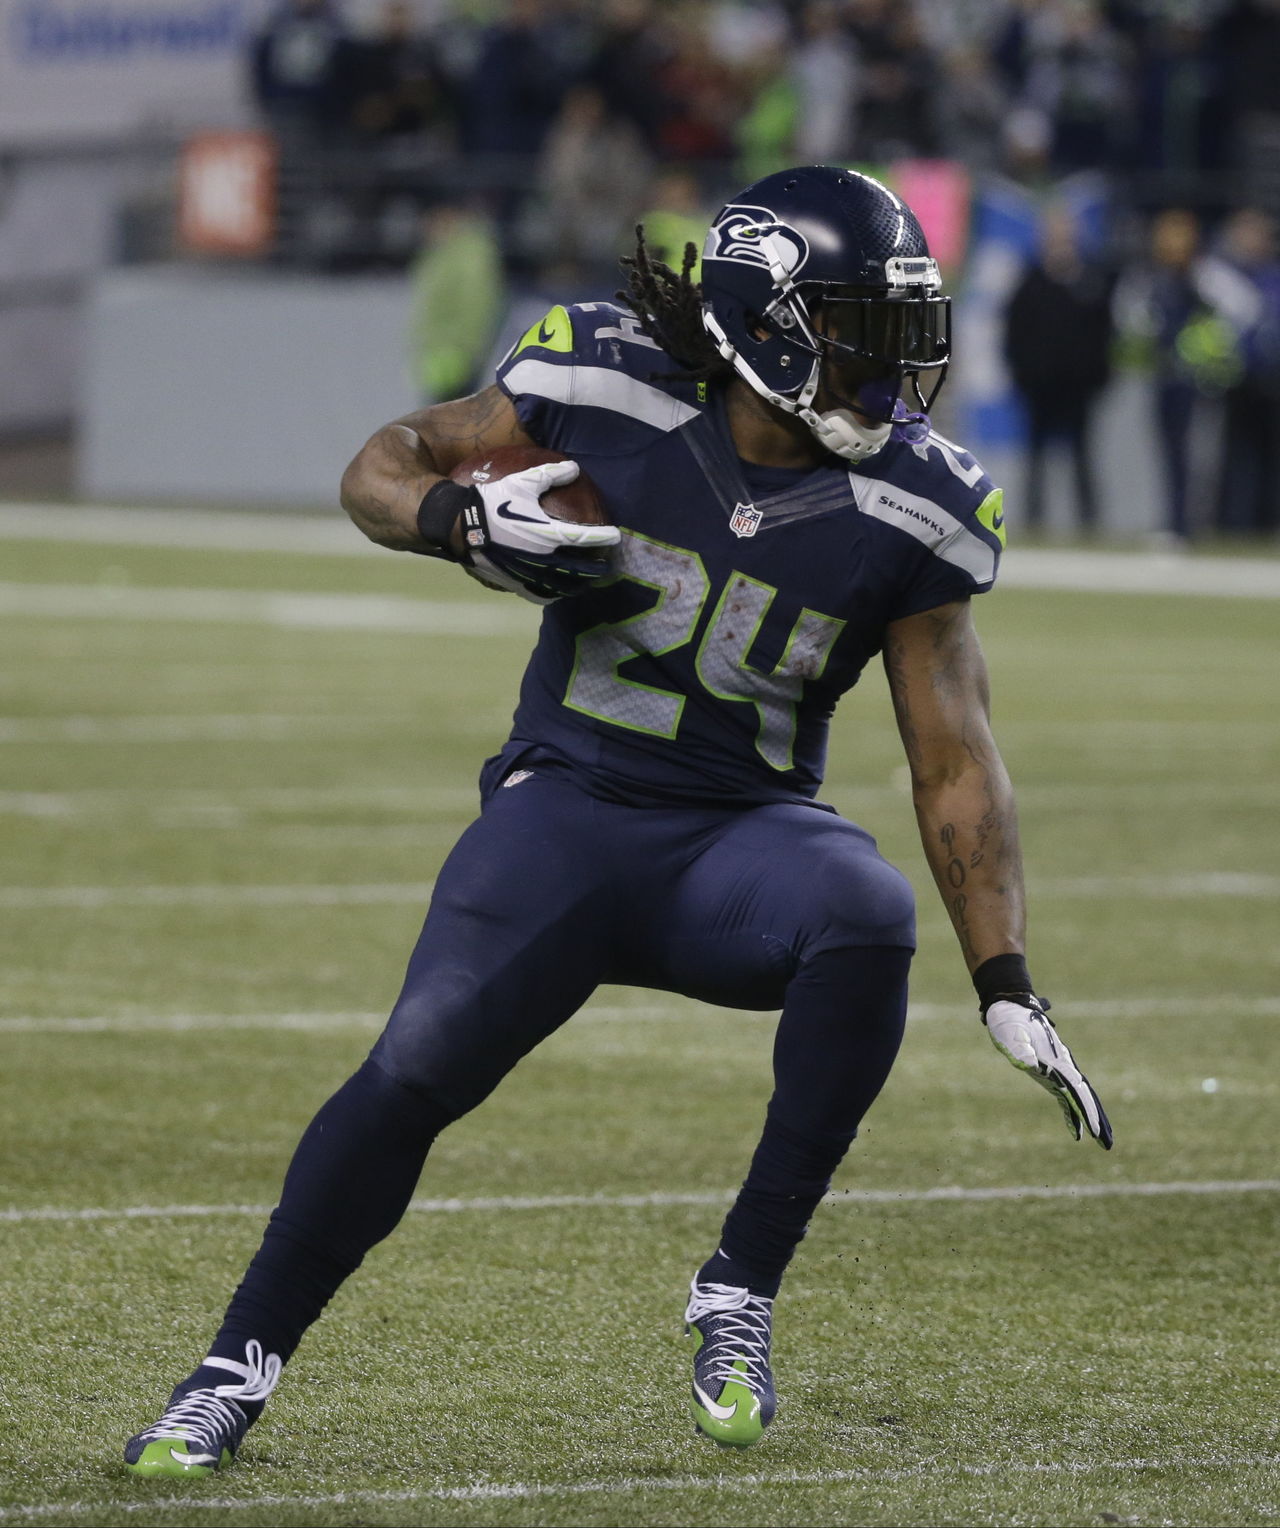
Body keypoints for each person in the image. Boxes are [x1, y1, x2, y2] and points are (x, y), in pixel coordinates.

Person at [122, 166, 1112, 1474]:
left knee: (863, 911)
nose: (892, 373)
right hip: (569, 813)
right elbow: (387, 461)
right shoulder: (606, 379)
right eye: (864, 335)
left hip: (742, 841)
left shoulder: (916, 501)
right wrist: (455, 517)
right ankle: (231, 1369)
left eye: (900, 339)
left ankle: (738, 1289)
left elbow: (954, 756)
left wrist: (1006, 978)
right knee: (418, 1061)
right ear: (772, 328)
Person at [1003, 205, 1115, 533]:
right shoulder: (1030, 280)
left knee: (1081, 454)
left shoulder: (1091, 280)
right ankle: (1034, 519)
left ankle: (1089, 520)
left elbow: (1104, 333)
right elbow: (1014, 331)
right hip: (1039, 384)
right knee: (1035, 455)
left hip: (1079, 385)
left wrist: (1099, 375)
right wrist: (1022, 374)